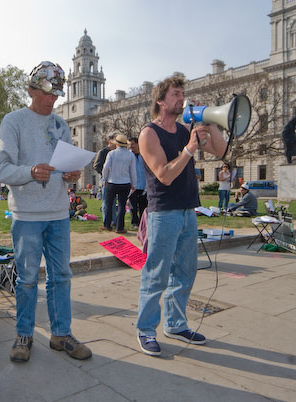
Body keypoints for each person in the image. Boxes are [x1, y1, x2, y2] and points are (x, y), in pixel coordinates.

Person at [0, 60, 92, 363]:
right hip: (27, 215)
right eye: (47, 93)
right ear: (32, 90)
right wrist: (31, 172)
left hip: (59, 212)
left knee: (61, 275)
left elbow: (64, 162)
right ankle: (24, 334)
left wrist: (71, 175)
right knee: (26, 278)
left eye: (57, 95)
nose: (52, 100)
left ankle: (61, 334)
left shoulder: (61, 125)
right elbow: (1, 169)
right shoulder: (13, 121)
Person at [136, 75, 226, 356]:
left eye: (182, 93)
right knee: (157, 275)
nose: (182, 98)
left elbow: (221, 151)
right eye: (176, 94)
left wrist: (209, 122)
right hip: (164, 212)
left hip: (189, 210)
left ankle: (175, 324)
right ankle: (146, 329)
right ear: (161, 101)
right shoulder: (149, 133)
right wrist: (189, 148)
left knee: (185, 274)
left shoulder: (187, 129)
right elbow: (164, 175)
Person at [101, 134, 136, 233]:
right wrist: (134, 184)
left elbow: (106, 167)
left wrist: (105, 179)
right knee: (122, 206)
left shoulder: (111, 154)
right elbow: (133, 171)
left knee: (108, 204)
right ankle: (120, 227)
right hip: (125, 183)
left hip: (112, 182)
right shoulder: (131, 155)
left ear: (116, 144)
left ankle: (107, 225)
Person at [93, 133, 117, 227]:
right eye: (115, 142)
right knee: (106, 202)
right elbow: (96, 166)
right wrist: (104, 175)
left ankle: (114, 220)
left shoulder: (116, 153)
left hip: (115, 180)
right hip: (106, 180)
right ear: (109, 142)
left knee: (114, 202)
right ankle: (106, 220)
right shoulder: (103, 152)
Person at [128, 137, 148, 230]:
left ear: (137, 144)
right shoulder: (128, 156)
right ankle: (135, 222)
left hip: (144, 184)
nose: (130, 146)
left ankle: (143, 222)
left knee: (143, 206)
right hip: (133, 185)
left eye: (132, 144)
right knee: (133, 206)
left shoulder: (144, 155)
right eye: (129, 144)